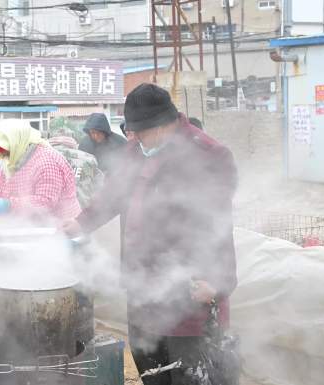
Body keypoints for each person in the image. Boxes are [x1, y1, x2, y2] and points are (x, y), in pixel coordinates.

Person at [64, 83, 237, 385]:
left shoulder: (207, 154)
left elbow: (218, 223)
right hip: (142, 292)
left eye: (139, 132)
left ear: (160, 125)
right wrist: (80, 223)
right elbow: (112, 195)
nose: (134, 139)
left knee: (190, 376)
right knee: (151, 372)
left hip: (189, 295)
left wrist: (218, 282)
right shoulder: (134, 151)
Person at [0, 119, 81, 221]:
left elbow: (45, 202)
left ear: (17, 143)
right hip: (29, 223)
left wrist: (10, 204)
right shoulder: (12, 160)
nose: (4, 155)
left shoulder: (47, 162)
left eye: (6, 150)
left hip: (61, 227)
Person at [48, 129, 103, 208]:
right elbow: (100, 187)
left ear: (51, 138)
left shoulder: (42, 158)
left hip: (52, 215)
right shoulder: (89, 158)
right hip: (83, 213)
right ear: (73, 139)